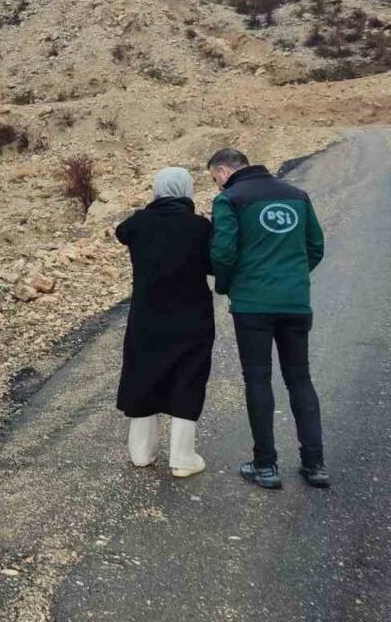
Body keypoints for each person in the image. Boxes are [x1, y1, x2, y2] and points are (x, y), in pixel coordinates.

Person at [207, 148, 329, 489]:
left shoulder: (229, 199)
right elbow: (315, 247)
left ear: (222, 171)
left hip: (252, 305)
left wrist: (228, 285)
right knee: (300, 379)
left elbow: (222, 252)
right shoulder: (297, 195)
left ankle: (265, 467)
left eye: (213, 177)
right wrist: (291, 278)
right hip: (295, 303)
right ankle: (315, 464)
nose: (216, 184)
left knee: (258, 380)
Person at [115, 167, 214, 477]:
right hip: (191, 316)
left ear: (157, 191)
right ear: (187, 191)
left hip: (147, 315)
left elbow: (121, 232)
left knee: (143, 375)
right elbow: (214, 263)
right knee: (189, 378)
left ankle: (141, 452)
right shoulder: (200, 227)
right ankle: (182, 458)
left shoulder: (139, 224)